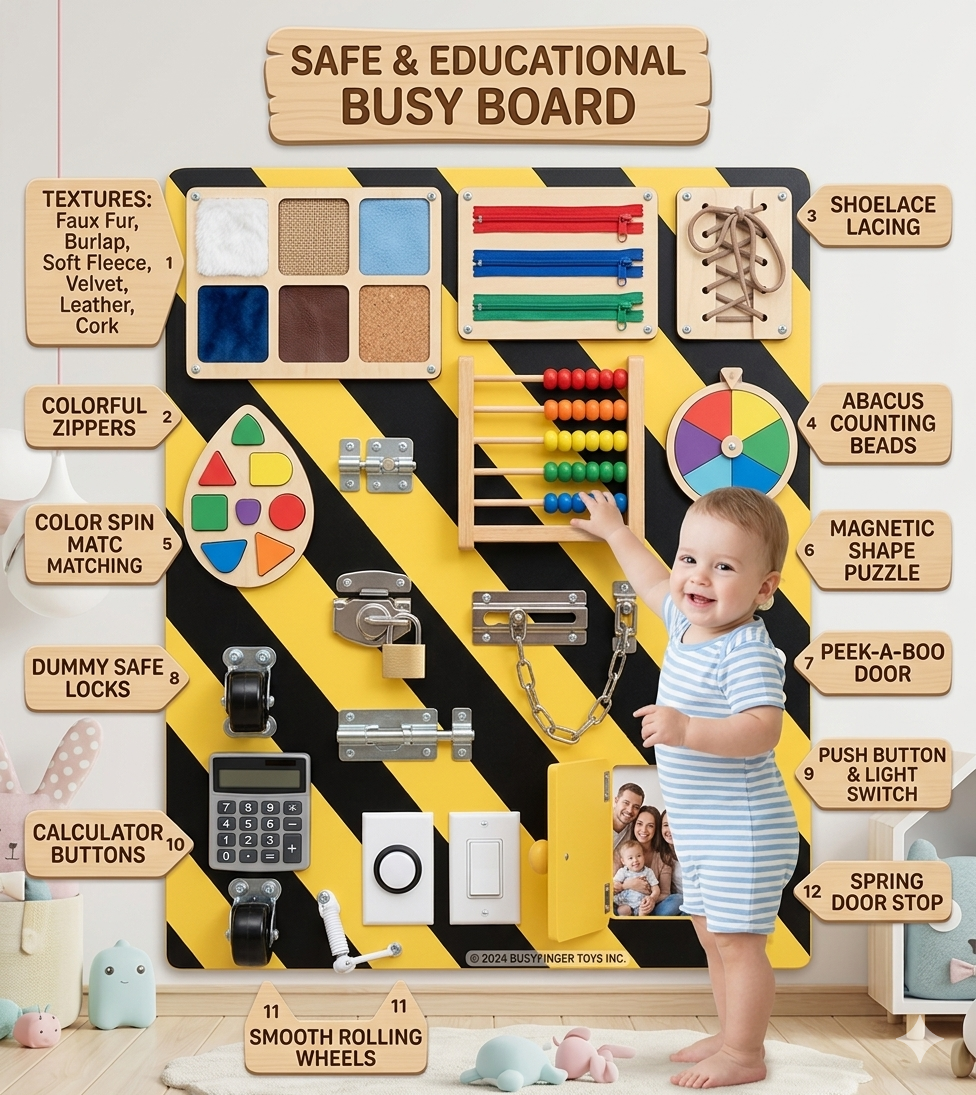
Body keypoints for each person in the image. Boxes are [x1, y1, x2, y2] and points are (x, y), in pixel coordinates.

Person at [573, 486, 798, 1089]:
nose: (698, 577)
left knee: (738, 943)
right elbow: (652, 584)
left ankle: (746, 1055)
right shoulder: (687, 620)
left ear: (764, 589)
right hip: (702, 828)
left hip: (742, 828)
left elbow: (763, 729)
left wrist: (687, 728)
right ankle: (732, 1035)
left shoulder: (746, 650)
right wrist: (617, 532)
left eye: (723, 566)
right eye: (689, 558)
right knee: (711, 935)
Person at [613, 840, 660, 916]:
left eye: (638, 856)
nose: (635, 860)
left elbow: (655, 888)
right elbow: (615, 884)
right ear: (623, 861)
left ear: (643, 856)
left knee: (644, 911)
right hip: (625, 902)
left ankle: (640, 923)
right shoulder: (623, 871)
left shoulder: (648, 872)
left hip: (641, 903)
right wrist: (620, 885)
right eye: (630, 858)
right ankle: (626, 925)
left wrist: (652, 898)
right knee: (624, 910)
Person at [653, 809, 684, 917]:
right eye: (666, 825)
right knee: (678, 900)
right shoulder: (661, 855)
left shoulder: (691, 852)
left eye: (674, 825)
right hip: (672, 903)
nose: (670, 830)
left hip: (692, 905)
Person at [611, 782, 644, 856]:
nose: (630, 810)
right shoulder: (598, 819)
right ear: (616, 800)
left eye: (636, 807)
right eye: (626, 803)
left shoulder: (635, 829)